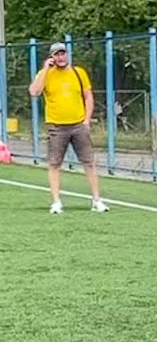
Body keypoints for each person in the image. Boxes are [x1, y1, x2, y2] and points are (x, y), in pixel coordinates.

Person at [28, 42, 108, 214]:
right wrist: (44, 70)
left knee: (89, 162)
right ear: (51, 57)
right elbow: (34, 92)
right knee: (55, 163)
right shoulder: (46, 74)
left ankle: (96, 200)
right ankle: (56, 201)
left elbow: (88, 96)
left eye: (62, 54)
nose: (60, 57)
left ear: (67, 55)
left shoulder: (78, 73)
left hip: (78, 125)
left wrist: (86, 120)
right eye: (56, 55)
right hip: (56, 126)